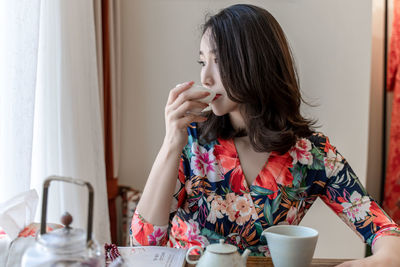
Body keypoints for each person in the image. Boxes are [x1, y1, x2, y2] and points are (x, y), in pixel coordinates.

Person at [131, 4, 400, 266]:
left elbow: (384, 231)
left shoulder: (312, 155)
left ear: (256, 63)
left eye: (218, 61)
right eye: (203, 62)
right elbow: (141, 246)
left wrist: (381, 260)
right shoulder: (191, 142)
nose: (206, 77)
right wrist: (171, 141)